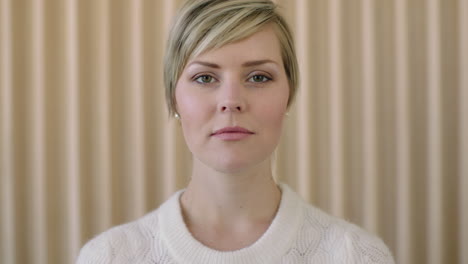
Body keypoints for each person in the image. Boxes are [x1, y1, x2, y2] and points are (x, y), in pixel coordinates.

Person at [77, 0, 395, 263]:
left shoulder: (355, 256)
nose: (231, 102)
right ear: (174, 97)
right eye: (205, 78)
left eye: (258, 77)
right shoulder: (110, 256)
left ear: (290, 94)